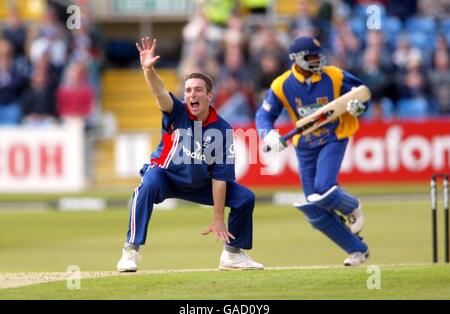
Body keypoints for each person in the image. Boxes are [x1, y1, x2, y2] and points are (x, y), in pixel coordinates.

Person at [117, 37, 263, 272]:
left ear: (209, 96)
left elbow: (220, 177)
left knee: (245, 198)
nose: (191, 95)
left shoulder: (223, 129)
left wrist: (218, 218)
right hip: (167, 175)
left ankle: (232, 256)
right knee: (146, 187)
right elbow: (159, 93)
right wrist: (148, 69)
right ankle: (130, 251)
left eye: (197, 90)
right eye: (187, 91)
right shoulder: (177, 112)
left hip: (201, 184)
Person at [256, 36, 369, 266]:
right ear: (296, 59)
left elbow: (361, 92)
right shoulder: (282, 85)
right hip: (305, 144)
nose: (318, 60)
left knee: (324, 188)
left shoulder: (334, 75)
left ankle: (351, 206)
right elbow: (264, 115)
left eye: (319, 55)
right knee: (314, 209)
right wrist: (268, 133)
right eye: (311, 56)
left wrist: (357, 107)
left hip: (333, 137)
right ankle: (357, 250)